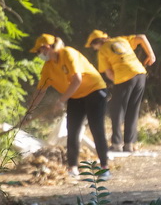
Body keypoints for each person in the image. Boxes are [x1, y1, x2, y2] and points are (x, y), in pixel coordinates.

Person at [28, 33, 111, 180]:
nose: (39, 55)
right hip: (75, 96)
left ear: (47, 47)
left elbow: (77, 80)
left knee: (96, 128)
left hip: (95, 91)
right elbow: (40, 91)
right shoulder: (48, 67)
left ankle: (104, 167)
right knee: (72, 130)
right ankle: (72, 168)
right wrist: (29, 111)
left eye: (39, 51)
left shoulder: (68, 53)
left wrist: (61, 100)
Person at [85, 30, 156, 152]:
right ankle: (129, 144)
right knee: (133, 109)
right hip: (140, 74)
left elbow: (108, 73)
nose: (94, 48)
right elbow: (142, 37)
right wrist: (151, 55)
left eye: (93, 45)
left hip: (124, 77)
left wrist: (118, 80)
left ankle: (117, 144)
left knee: (116, 110)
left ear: (96, 42)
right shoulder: (122, 39)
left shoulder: (102, 51)